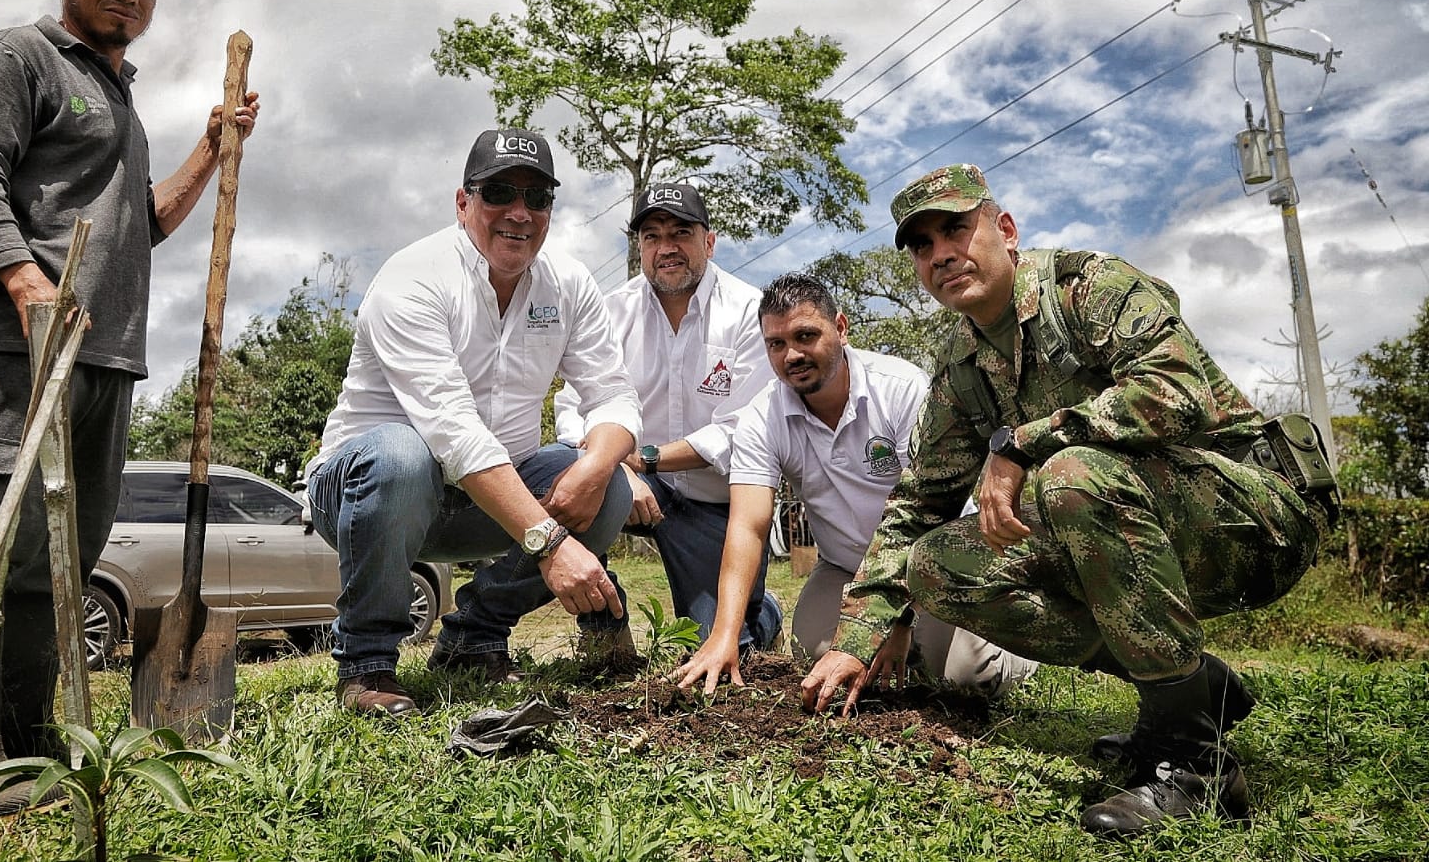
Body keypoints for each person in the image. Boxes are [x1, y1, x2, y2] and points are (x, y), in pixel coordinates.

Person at [805, 164, 1327, 836]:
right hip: (1126, 523)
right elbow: (920, 505)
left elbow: (1178, 391)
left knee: (1070, 474)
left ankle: (1197, 767)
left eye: (956, 229)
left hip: (1257, 518)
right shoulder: (961, 362)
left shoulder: (1089, 288)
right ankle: (1190, 691)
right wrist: (856, 637)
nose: (941, 254)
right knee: (937, 563)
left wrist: (1023, 441)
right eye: (922, 245)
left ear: (1006, 230)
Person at [0, 0, 260, 813]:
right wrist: (28, 286)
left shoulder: (122, 101)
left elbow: (141, 225)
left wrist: (211, 145)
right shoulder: (20, 58)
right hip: (20, 347)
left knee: (55, 559)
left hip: (109, 360)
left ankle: (28, 746)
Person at [305, 127, 641, 717]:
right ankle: (367, 662)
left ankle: (474, 634)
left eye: (537, 198)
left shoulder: (569, 285)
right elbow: (453, 432)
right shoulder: (414, 278)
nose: (519, 212)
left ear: (550, 211)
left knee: (609, 485)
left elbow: (613, 394)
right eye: (499, 193)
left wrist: (597, 462)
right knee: (403, 455)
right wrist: (549, 540)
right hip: (369, 496)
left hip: (484, 500)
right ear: (463, 202)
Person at [677, 272, 1035, 699]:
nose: (792, 354)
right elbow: (748, 526)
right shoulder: (761, 417)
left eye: (805, 335)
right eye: (776, 343)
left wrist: (897, 617)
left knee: (964, 676)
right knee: (815, 651)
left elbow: (929, 511)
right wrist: (724, 635)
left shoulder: (903, 391)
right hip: (845, 567)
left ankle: (1018, 638)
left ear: (841, 329)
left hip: (934, 560)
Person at [555, 183, 782, 656]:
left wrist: (643, 461)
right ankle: (603, 619)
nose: (667, 247)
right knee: (553, 469)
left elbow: (742, 429)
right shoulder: (611, 312)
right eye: (652, 236)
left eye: (681, 232)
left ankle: (764, 616)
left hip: (714, 500)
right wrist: (612, 468)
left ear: (709, 242)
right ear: (640, 248)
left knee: (724, 645)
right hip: (630, 483)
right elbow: (574, 408)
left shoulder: (748, 312)